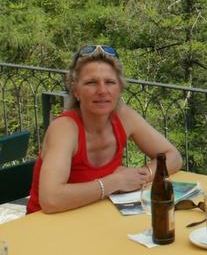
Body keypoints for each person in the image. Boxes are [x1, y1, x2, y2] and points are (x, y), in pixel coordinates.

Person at [27, 45, 183, 213]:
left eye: (110, 82)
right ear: (76, 91)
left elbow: (173, 156)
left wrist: (141, 176)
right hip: (48, 224)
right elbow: (51, 199)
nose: (102, 90)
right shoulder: (64, 128)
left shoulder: (124, 117)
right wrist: (114, 182)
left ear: (119, 88)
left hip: (94, 216)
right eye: (91, 83)